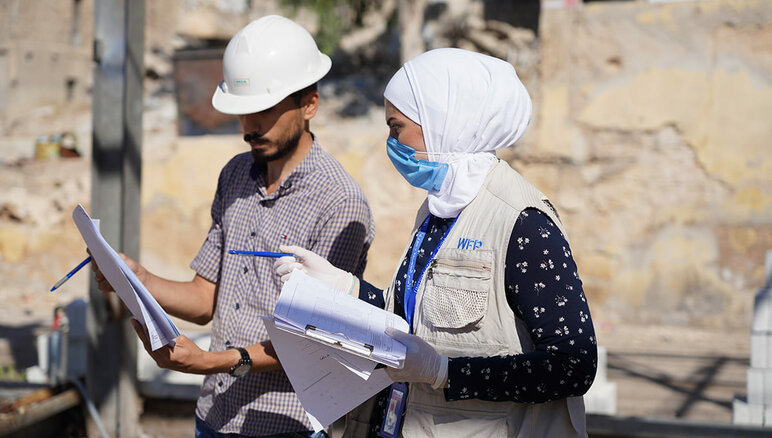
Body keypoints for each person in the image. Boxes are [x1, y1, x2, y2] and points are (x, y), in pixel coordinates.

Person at [274, 48, 597, 438]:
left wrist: (446, 373)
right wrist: (344, 287)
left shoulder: (521, 223)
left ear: (445, 122)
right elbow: (416, 323)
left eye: (397, 127)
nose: (391, 142)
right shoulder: (438, 209)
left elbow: (573, 366)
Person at [93, 15, 375, 438]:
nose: (249, 128)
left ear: (310, 104)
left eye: (264, 111)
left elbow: (314, 341)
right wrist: (139, 280)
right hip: (214, 417)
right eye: (243, 112)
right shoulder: (235, 176)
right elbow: (206, 298)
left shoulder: (339, 202)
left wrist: (211, 361)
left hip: (286, 425)